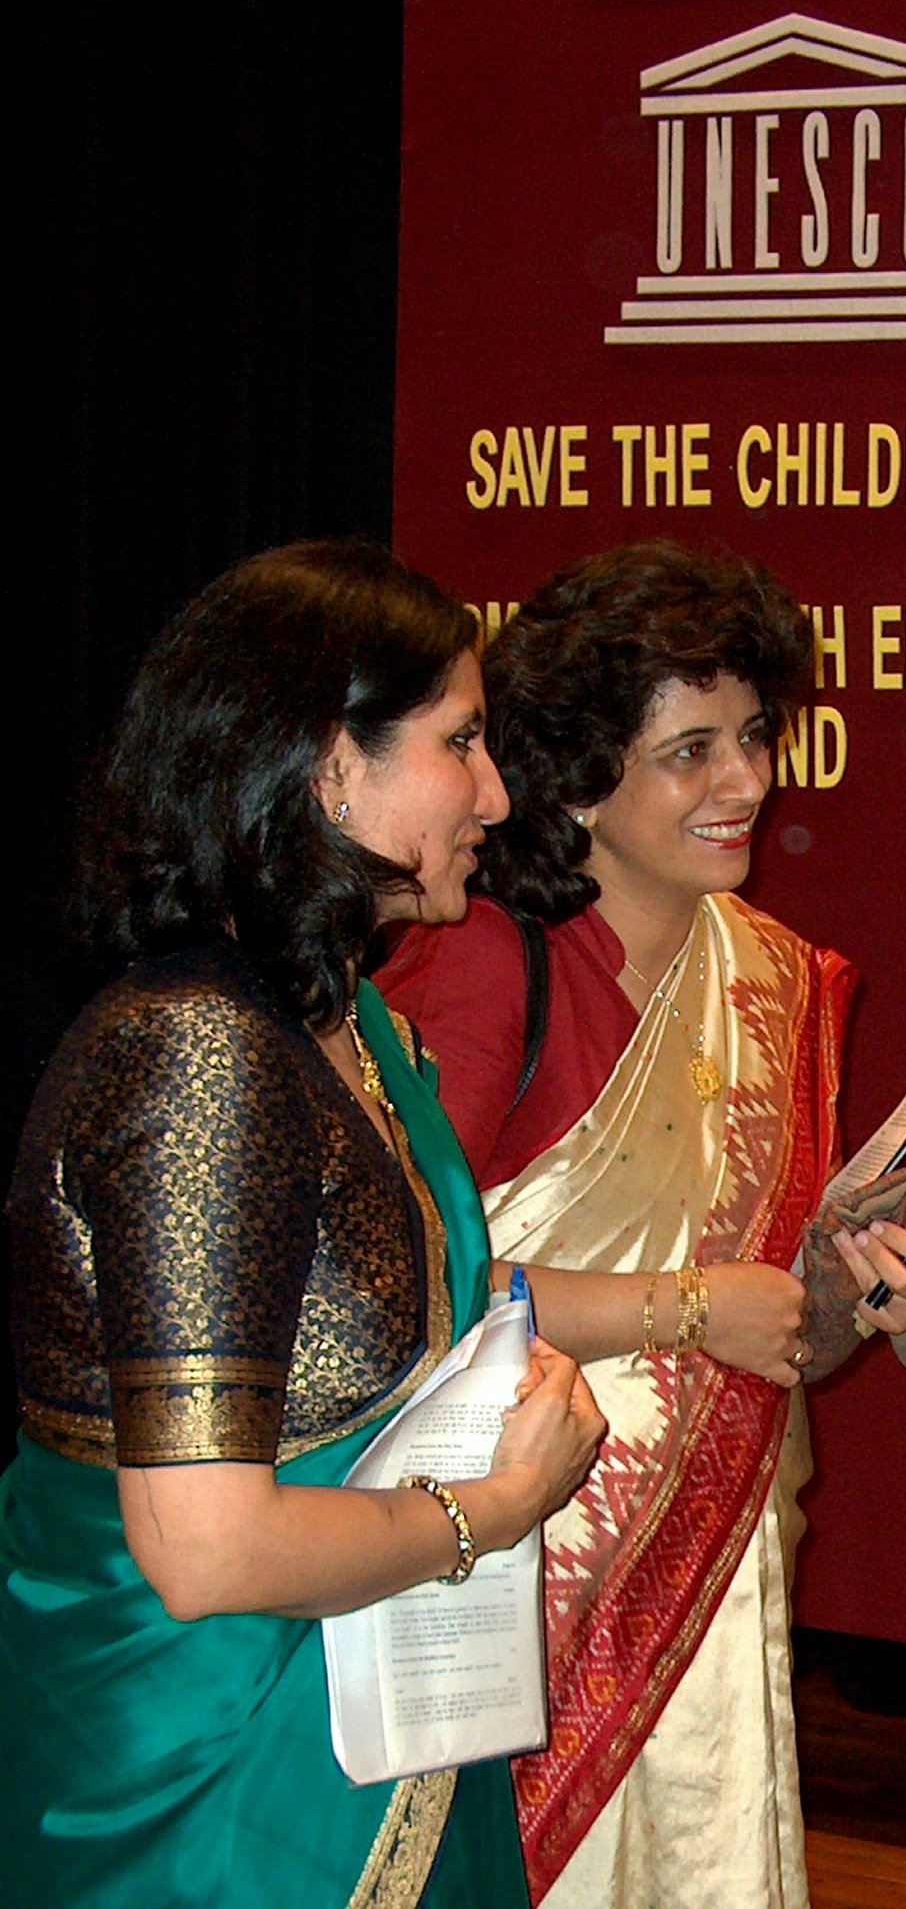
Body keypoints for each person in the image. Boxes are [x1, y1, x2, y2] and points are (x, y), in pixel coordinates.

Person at [0, 541, 607, 1909]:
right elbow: (208, 1553)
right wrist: (494, 1507)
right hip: (211, 1788)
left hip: (361, 1709)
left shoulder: (344, 1022)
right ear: (331, 772)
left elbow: (406, 1300)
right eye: (460, 742)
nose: (498, 795)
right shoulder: (199, 1060)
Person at [376, 541, 906, 1909]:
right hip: (517, 1560)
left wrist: (852, 1285)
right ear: (582, 776)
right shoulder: (476, 971)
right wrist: (688, 1309)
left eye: (754, 736)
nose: (749, 782)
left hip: (714, 1578)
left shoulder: (766, 974)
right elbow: (387, 1282)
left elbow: (762, 1292)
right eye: (691, 751)